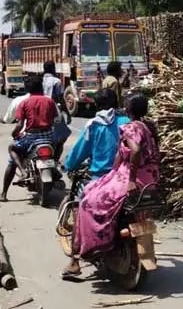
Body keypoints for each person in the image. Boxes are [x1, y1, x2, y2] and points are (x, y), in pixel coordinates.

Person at [62, 93, 160, 279]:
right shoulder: (148, 127)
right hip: (149, 179)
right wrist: (114, 172)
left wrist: (129, 178)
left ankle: (78, 258)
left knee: (86, 203)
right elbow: (124, 155)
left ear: (128, 109)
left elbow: (135, 150)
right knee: (95, 191)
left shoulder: (125, 127)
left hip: (131, 178)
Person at [0, 75, 58, 202]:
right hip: (49, 137)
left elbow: (19, 125)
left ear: (28, 88)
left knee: (12, 149)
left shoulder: (25, 102)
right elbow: (54, 120)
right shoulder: (49, 101)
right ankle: (55, 168)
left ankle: (9, 187)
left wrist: (14, 134)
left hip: (31, 138)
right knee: (57, 148)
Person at [62, 89, 130, 180]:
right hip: (125, 174)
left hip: (100, 177)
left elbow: (80, 150)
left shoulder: (93, 124)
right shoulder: (128, 121)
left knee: (85, 193)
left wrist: (68, 165)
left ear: (96, 105)